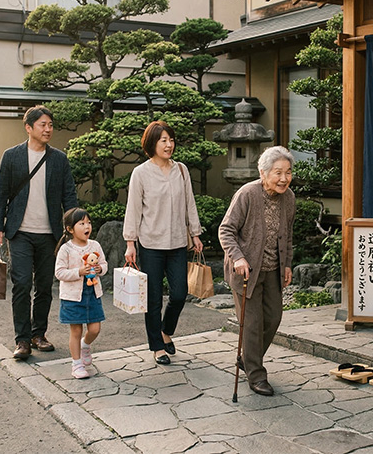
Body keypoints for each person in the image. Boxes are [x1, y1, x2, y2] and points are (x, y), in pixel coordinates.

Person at [0, 105, 78, 360]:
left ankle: (38, 333)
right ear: (28, 127)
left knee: (43, 285)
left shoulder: (59, 159)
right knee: (21, 284)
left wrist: (74, 226)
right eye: (43, 125)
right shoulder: (12, 156)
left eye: (50, 124)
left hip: (50, 233)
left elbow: (69, 194)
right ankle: (22, 339)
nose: (48, 129)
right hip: (19, 231)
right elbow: (0, 194)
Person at [123, 121, 203, 365]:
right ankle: (157, 347)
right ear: (152, 143)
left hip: (178, 241)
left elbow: (190, 202)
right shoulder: (141, 173)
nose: (169, 145)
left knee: (179, 294)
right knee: (153, 298)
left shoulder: (181, 170)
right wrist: (130, 242)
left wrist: (195, 233)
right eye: (163, 140)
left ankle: (165, 330)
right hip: (151, 243)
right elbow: (134, 209)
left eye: (171, 140)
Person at [219, 146, 296, 396]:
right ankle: (256, 375)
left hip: (273, 269)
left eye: (288, 172)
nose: (284, 178)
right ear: (263, 173)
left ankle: (247, 359)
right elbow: (226, 230)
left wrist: (287, 264)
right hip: (246, 272)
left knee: (273, 318)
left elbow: (288, 235)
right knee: (251, 324)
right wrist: (238, 258)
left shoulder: (289, 198)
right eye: (278, 173)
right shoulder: (247, 194)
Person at [55, 208, 107, 379]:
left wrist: (100, 269)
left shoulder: (95, 245)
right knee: (75, 331)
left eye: (89, 223)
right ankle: (76, 364)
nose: (87, 226)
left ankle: (85, 346)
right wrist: (79, 272)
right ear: (70, 229)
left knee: (95, 328)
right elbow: (59, 273)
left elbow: (104, 264)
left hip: (92, 293)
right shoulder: (66, 249)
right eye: (82, 223)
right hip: (72, 296)